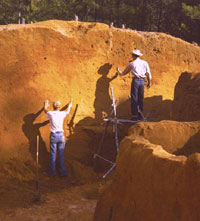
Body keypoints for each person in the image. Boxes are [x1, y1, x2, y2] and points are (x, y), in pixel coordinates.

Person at [117, 49, 152, 120]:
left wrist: (118, 71)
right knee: (141, 98)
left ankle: (134, 115)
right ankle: (140, 115)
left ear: (133, 56)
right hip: (142, 81)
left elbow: (123, 73)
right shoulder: (145, 63)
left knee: (134, 98)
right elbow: (148, 73)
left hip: (135, 81)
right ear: (139, 56)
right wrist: (149, 82)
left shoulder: (132, 64)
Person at [44, 99, 72, 177]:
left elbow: (45, 110)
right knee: (61, 154)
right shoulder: (62, 114)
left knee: (53, 154)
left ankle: (52, 173)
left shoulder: (50, 113)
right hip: (61, 136)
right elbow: (68, 111)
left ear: (53, 107)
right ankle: (63, 172)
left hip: (54, 135)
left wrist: (45, 104)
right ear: (59, 107)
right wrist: (69, 104)